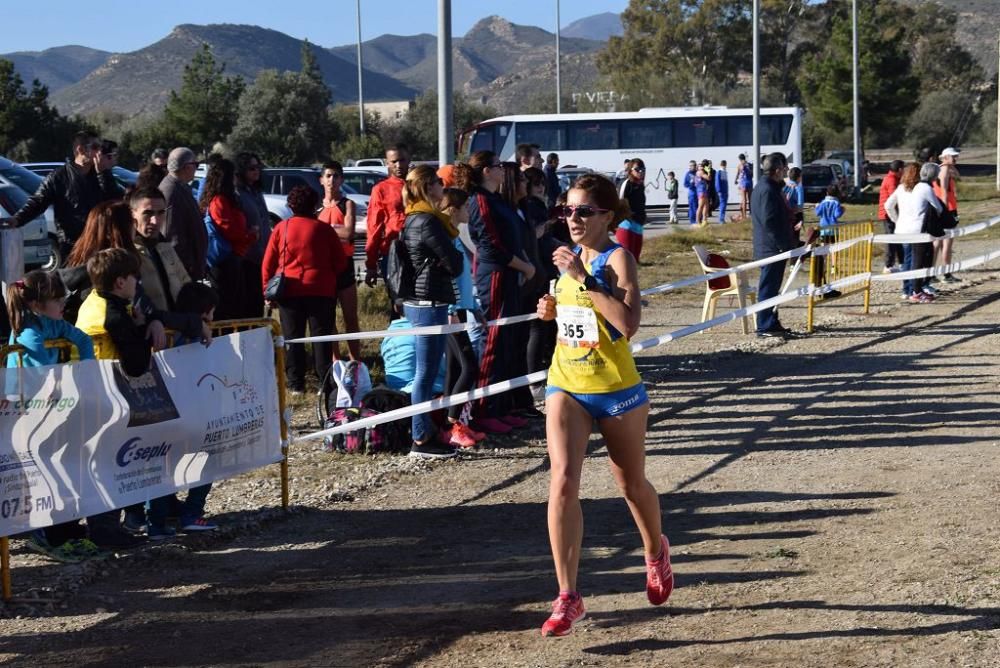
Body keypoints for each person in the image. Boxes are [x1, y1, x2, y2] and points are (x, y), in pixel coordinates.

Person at [535, 173, 673, 638]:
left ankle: (655, 551)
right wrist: (552, 309)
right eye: (566, 210)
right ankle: (568, 596)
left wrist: (582, 279)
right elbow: (576, 320)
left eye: (582, 212)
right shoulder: (566, 263)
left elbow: (627, 324)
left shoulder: (619, 260)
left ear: (606, 216)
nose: (571, 219)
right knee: (562, 481)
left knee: (631, 484)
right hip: (567, 384)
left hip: (617, 390)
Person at [6, 271, 101, 562]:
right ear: (37, 305)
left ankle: (68, 530)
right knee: (43, 475)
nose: (63, 303)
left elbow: (82, 340)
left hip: (49, 412)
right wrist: (61, 387)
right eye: (57, 299)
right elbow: (40, 374)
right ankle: (47, 536)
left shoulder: (53, 323)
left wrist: (87, 374)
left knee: (65, 468)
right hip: (23, 414)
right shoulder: (29, 333)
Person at [76, 248, 161, 548]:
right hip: (105, 396)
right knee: (110, 464)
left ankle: (103, 528)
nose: (138, 282)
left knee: (98, 463)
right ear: (121, 281)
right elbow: (137, 364)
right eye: (135, 277)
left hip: (89, 392)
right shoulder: (113, 315)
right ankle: (105, 531)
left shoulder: (92, 301)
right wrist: (143, 329)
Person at [465, 151, 536, 434]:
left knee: (507, 341)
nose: (501, 170)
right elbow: (491, 245)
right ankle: (484, 410)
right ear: (485, 171)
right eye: (496, 166)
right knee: (493, 340)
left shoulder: (496, 199)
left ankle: (503, 405)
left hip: (509, 274)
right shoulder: (479, 200)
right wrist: (524, 266)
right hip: (494, 274)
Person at [144, 281, 221, 539]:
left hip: (163, 411)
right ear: (204, 313)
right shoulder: (196, 335)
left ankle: (156, 523)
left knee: (163, 467)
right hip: (188, 412)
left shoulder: (167, 332)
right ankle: (190, 513)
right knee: (207, 457)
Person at [398, 165, 464, 459]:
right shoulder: (427, 221)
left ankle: (424, 430)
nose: (442, 186)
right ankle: (421, 437)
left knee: (425, 371)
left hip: (425, 300)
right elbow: (455, 264)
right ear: (427, 186)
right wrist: (451, 256)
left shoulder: (416, 217)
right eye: (438, 182)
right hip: (428, 302)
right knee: (424, 372)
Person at [262, 185, 347, 394]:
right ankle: (325, 382)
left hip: (290, 290)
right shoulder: (324, 230)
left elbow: (268, 263)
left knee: (293, 338)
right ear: (315, 205)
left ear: (291, 206)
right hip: (321, 289)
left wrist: (267, 289)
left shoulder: (282, 228)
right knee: (321, 338)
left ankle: (295, 383)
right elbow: (340, 263)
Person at [7, 131, 121, 252]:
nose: (99, 152)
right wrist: (17, 219)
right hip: (72, 245)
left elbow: (115, 201)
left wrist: (103, 174)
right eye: (95, 147)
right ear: (80, 150)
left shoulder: (102, 174)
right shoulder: (58, 177)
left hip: (101, 243)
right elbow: (38, 202)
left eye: (101, 148)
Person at [437, 186, 486, 449]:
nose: (469, 211)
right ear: (455, 209)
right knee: (470, 367)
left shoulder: (454, 235)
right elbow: (445, 278)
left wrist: (473, 307)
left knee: (455, 369)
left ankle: (449, 426)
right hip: (449, 312)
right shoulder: (444, 236)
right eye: (466, 207)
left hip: (460, 308)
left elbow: (463, 278)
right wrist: (451, 310)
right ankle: (452, 422)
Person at [201, 158, 260, 320]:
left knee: (237, 305)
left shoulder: (228, 199)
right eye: (233, 174)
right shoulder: (219, 201)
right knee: (229, 308)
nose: (236, 177)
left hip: (234, 257)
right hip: (225, 260)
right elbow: (230, 230)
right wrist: (251, 235)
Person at [317, 160, 361, 362]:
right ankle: (336, 361)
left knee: (350, 317)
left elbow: (349, 232)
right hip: (323, 267)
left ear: (342, 179)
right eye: (328, 175)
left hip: (344, 264)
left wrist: (325, 230)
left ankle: (355, 361)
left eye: (336, 176)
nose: (332, 180)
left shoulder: (347, 203)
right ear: (321, 180)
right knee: (328, 318)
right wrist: (337, 230)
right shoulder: (316, 206)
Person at [885, 162, 941, 304]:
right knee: (916, 261)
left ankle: (906, 289)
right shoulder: (923, 189)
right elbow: (938, 208)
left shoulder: (900, 188)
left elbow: (888, 205)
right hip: (917, 230)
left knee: (907, 260)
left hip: (902, 230)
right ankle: (914, 290)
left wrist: (896, 220)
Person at [751, 153, 794, 337]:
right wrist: (783, 245)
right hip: (771, 248)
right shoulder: (767, 189)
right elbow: (770, 221)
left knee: (773, 287)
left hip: (772, 247)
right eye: (784, 169)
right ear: (777, 170)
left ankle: (772, 321)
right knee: (768, 288)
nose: (786, 172)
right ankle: (764, 325)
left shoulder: (768, 187)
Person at [365, 144, 410, 290]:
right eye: (394, 161)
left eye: (402, 160)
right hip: (392, 251)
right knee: (398, 300)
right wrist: (371, 264)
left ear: (408, 160)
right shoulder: (381, 189)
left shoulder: (419, 184)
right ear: (387, 163)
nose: (398, 165)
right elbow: (374, 227)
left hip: (418, 249)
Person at [159, 147, 207, 281]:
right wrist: (188, 264)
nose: (196, 168)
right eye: (195, 165)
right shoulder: (171, 191)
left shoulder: (180, 187)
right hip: (183, 271)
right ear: (186, 167)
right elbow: (172, 235)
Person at [235, 152, 271, 263]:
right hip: (248, 257)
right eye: (252, 168)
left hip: (264, 252)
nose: (256, 171)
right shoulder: (237, 195)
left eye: (258, 167)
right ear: (242, 170)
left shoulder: (257, 192)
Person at [812, 185, 844, 300]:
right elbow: (837, 215)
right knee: (834, 248)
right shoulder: (836, 203)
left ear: (826, 192)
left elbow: (817, 213)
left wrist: (817, 207)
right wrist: (842, 210)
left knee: (823, 251)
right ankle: (833, 266)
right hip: (833, 230)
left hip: (823, 230)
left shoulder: (823, 202)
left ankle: (824, 265)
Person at [933, 147, 960, 282]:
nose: (956, 159)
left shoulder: (942, 169)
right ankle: (946, 274)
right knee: (945, 243)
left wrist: (949, 165)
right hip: (947, 209)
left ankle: (932, 274)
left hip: (945, 208)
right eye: (953, 156)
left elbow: (957, 176)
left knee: (938, 242)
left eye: (956, 156)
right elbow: (943, 192)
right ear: (946, 157)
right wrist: (944, 212)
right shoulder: (944, 171)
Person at [615, 158, 646, 260]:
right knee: (627, 258)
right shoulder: (626, 184)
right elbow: (619, 203)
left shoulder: (641, 185)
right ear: (630, 170)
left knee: (635, 259)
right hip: (626, 224)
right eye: (637, 169)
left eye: (643, 169)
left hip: (639, 224)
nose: (641, 172)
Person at [878, 160, 905, 273]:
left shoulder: (894, 179)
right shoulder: (891, 180)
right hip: (888, 214)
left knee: (897, 238)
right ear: (899, 169)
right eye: (903, 168)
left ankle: (901, 263)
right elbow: (895, 198)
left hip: (892, 213)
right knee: (891, 239)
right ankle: (888, 265)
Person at [783, 166, 805, 244]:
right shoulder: (798, 188)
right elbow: (800, 205)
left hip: (784, 214)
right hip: (795, 215)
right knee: (795, 238)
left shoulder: (785, 186)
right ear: (799, 177)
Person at [736, 153, 753, 221]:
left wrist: (735, 181)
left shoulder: (740, 165)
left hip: (743, 183)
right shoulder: (750, 165)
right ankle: (751, 213)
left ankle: (744, 215)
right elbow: (752, 174)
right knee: (750, 199)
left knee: (744, 200)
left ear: (740, 159)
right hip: (749, 182)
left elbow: (737, 174)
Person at [683, 161, 698, 225]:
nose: (692, 167)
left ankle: (698, 220)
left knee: (698, 207)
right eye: (691, 165)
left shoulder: (698, 173)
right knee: (692, 207)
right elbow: (685, 184)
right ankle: (693, 221)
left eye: (693, 165)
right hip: (692, 193)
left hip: (699, 193)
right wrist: (691, 183)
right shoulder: (688, 174)